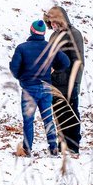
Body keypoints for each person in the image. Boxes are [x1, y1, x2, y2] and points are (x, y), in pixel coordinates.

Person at [9, 20, 70, 157]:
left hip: (29, 88)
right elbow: (65, 62)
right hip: (46, 87)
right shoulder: (50, 47)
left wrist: (21, 77)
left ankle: (27, 149)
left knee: (28, 121)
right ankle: (54, 148)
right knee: (48, 119)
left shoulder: (22, 48)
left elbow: (14, 69)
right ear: (43, 33)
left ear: (31, 31)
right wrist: (54, 68)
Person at [45, 6, 85, 156]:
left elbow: (78, 60)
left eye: (55, 22)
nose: (53, 26)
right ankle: (63, 144)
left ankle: (73, 145)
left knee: (71, 113)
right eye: (50, 23)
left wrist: (76, 84)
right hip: (54, 82)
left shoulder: (74, 34)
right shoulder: (53, 36)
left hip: (69, 82)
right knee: (59, 114)